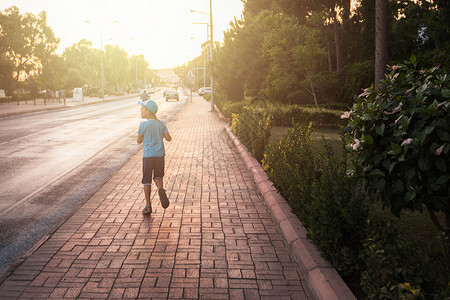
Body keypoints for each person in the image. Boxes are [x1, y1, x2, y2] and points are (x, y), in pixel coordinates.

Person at [137, 100, 172, 214]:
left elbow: (138, 141)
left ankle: (148, 206)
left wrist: (143, 137)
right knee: (158, 177)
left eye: (142, 109)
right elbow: (168, 138)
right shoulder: (161, 124)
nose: (141, 111)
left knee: (146, 181)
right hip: (159, 156)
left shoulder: (143, 125)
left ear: (148, 111)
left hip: (148, 156)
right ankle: (161, 190)